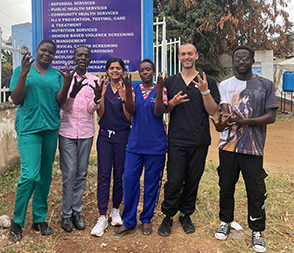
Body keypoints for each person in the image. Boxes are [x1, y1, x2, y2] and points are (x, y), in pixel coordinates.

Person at [210, 46, 278, 253]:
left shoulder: (265, 85)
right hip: (228, 146)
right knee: (226, 186)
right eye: (237, 58)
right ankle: (225, 220)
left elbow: (271, 116)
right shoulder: (225, 85)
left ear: (252, 60)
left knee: (256, 190)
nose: (240, 61)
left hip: (253, 148)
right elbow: (224, 115)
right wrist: (220, 125)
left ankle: (257, 230)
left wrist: (246, 121)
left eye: (245, 58)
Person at [8, 39, 74, 242]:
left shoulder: (56, 75)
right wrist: (23, 74)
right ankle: (17, 221)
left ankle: (39, 219)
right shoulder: (22, 69)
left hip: (50, 128)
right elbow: (16, 99)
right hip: (29, 129)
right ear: (37, 51)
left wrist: (67, 83)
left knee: (45, 176)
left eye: (51, 52)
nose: (47, 54)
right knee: (30, 175)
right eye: (44, 50)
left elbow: (60, 102)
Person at [114, 59, 185, 236]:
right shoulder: (135, 89)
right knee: (129, 180)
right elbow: (130, 110)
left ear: (153, 72)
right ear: (139, 73)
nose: (145, 72)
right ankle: (129, 220)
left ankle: (146, 218)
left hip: (156, 145)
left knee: (152, 183)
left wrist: (160, 88)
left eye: (148, 70)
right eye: (142, 70)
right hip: (135, 144)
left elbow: (159, 112)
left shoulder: (162, 89)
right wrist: (128, 88)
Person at [158, 43, 220, 237]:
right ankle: (168, 215)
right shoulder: (171, 82)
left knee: (193, 180)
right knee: (174, 180)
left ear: (196, 56)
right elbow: (163, 109)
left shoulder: (207, 80)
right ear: (178, 57)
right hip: (177, 140)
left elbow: (212, 110)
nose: (186, 57)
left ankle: (186, 214)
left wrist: (204, 91)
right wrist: (172, 104)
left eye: (190, 53)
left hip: (199, 139)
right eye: (183, 54)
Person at [59, 45, 103, 233]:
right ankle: (66, 214)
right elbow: (64, 106)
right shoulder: (66, 79)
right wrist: (73, 91)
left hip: (86, 132)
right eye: (79, 55)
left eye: (86, 55)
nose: (83, 58)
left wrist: (98, 98)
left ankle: (77, 211)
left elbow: (90, 110)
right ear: (74, 58)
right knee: (69, 174)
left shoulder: (94, 81)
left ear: (90, 60)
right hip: (67, 132)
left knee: (82, 173)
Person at [91, 58, 131, 237]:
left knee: (120, 173)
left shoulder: (126, 88)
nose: (115, 70)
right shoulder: (103, 88)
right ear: (107, 70)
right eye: (112, 68)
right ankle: (102, 216)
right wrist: (100, 96)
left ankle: (115, 208)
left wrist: (124, 98)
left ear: (122, 70)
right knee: (104, 174)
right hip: (105, 136)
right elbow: (100, 113)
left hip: (123, 135)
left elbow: (129, 117)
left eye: (118, 68)